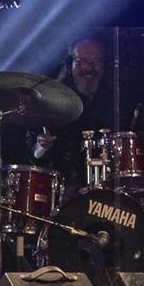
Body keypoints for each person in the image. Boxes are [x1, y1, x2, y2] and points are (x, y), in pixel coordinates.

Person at [27, 35, 114, 187]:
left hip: (109, 184)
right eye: (82, 61)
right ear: (69, 65)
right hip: (65, 187)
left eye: (96, 60)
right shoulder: (52, 101)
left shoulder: (115, 99)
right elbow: (34, 155)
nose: (89, 67)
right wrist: (42, 147)